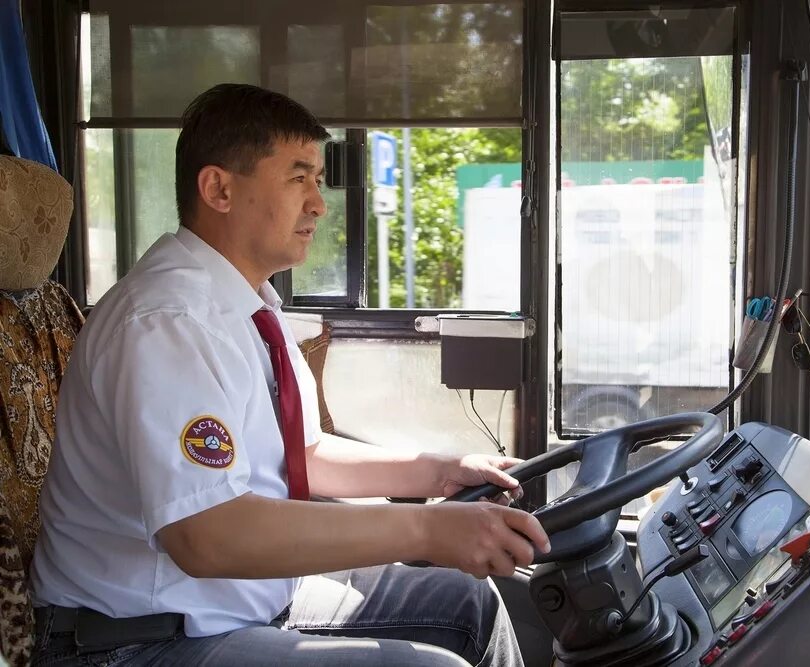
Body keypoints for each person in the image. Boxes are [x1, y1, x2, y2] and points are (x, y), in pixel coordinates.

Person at [30, 83, 550, 666]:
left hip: (234, 602)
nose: (319, 205)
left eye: (318, 181)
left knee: (468, 604)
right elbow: (210, 536)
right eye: (297, 178)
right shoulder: (166, 323)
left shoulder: (251, 305)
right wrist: (429, 532)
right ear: (219, 189)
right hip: (137, 639)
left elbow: (305, 453)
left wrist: (441, 470)